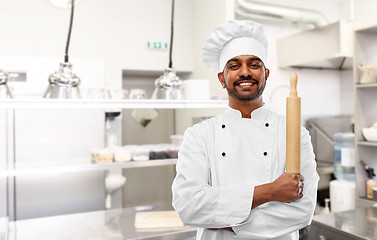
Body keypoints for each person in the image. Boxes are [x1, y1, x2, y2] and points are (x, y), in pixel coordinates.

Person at [171, 20, 319, 240]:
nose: (245, 72)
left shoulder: (294, 133)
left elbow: (303, 211)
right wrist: (270, 192)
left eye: (254, 64)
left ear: (266, 74)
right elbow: (187, 205)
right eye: (234, 65)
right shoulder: (199, 135)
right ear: (222, 79)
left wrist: (229, 223)